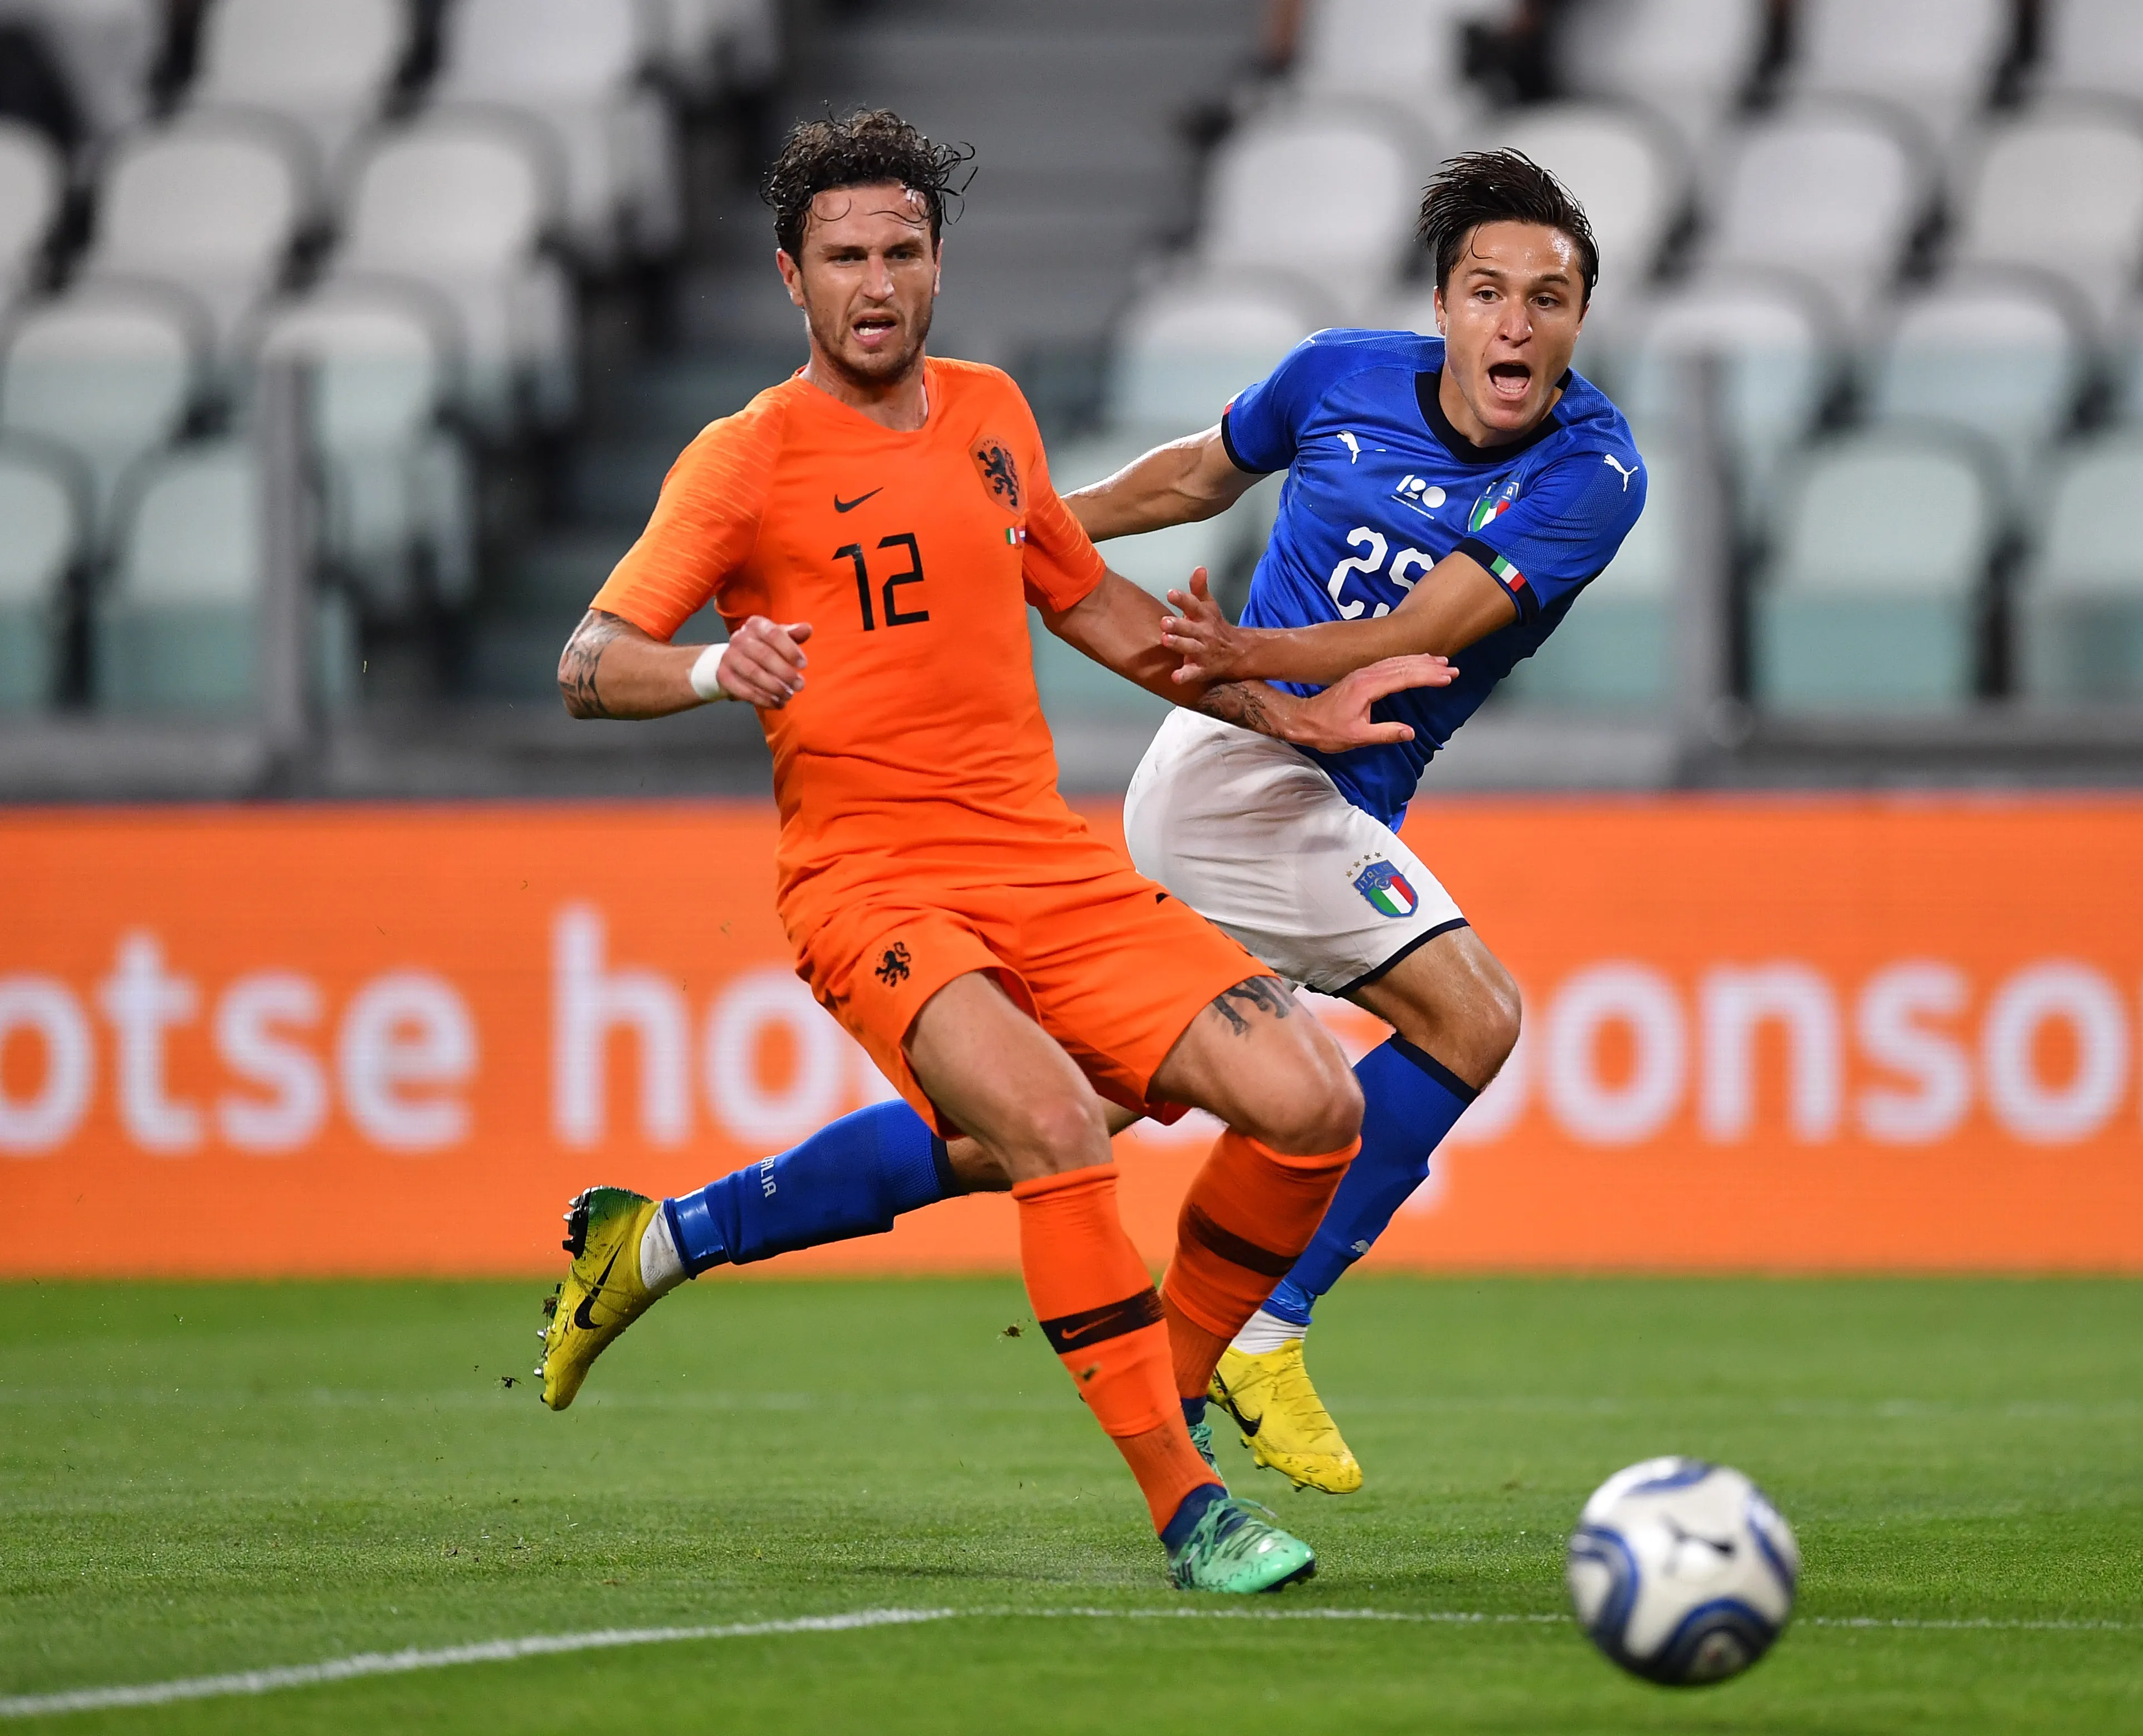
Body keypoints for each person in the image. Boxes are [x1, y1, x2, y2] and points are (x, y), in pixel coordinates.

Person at [553, 148, 1643, 1500]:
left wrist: (1242, 654)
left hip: (1291, 749)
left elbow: (1428, 631)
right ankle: (1263, 1329)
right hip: (1241, 779)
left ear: (1579, 321)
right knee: (1471, 1015)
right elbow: (1186, 481)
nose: (1516, 325)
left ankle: (664, 1239)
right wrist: (1003, 531)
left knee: (1042, 1120)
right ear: (1442, 304)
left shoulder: (1593, 470)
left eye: (1549, 299)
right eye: (1489, 293)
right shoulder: (1333, 375)